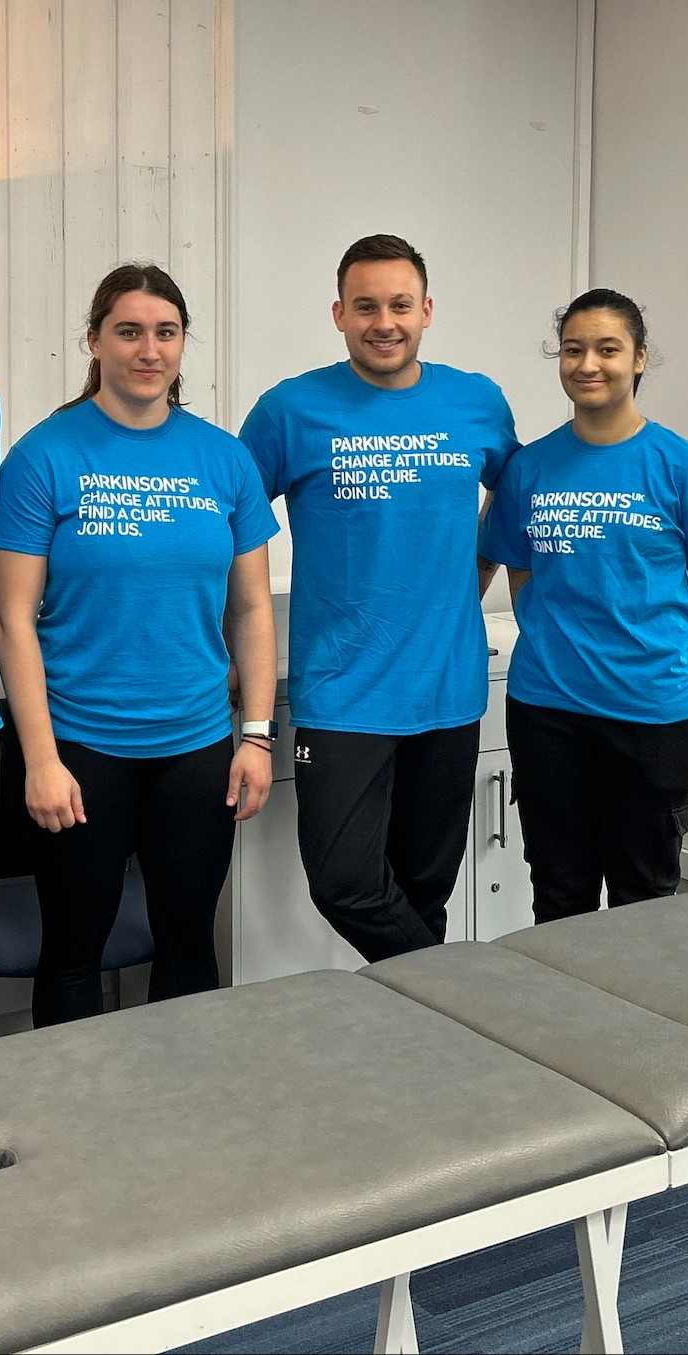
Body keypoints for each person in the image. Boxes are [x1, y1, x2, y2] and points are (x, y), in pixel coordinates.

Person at [0, 263, 278, 1026]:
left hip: (196, 746)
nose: (148, 349)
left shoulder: (222, 457)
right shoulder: (46, 455)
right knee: (75, 946)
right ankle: (78, 1129)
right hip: (81, 749)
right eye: (129, 331)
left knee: (188, 943)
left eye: (165, 332)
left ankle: (180, 1118)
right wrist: (41, 759)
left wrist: (256, 735)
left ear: (182, 345)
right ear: (94, 340)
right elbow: (11, 619)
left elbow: (250, 608)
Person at [239, 235, 518, 961]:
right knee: (345, 883)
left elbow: (518, 507)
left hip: (449, 689)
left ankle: (419, 1053)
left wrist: (470, 580)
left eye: (400, 305)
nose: (383, 321)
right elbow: (228, 527)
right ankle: (457, 991)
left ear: (427, 310)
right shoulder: (290, 410)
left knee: (426, 893)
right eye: (365, 306)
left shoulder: (477, 401)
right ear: (338, 313)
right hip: (342, 692)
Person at [479, 288, 688, 922]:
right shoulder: (530, 467)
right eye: (573, 350)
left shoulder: (685, 470)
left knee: (644, 900)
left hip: (653, 717)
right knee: (558, 894)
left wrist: (667, 680)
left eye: (608, 349)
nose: (588, 364)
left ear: (640, 359)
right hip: (548, 712)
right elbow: (521, 571)